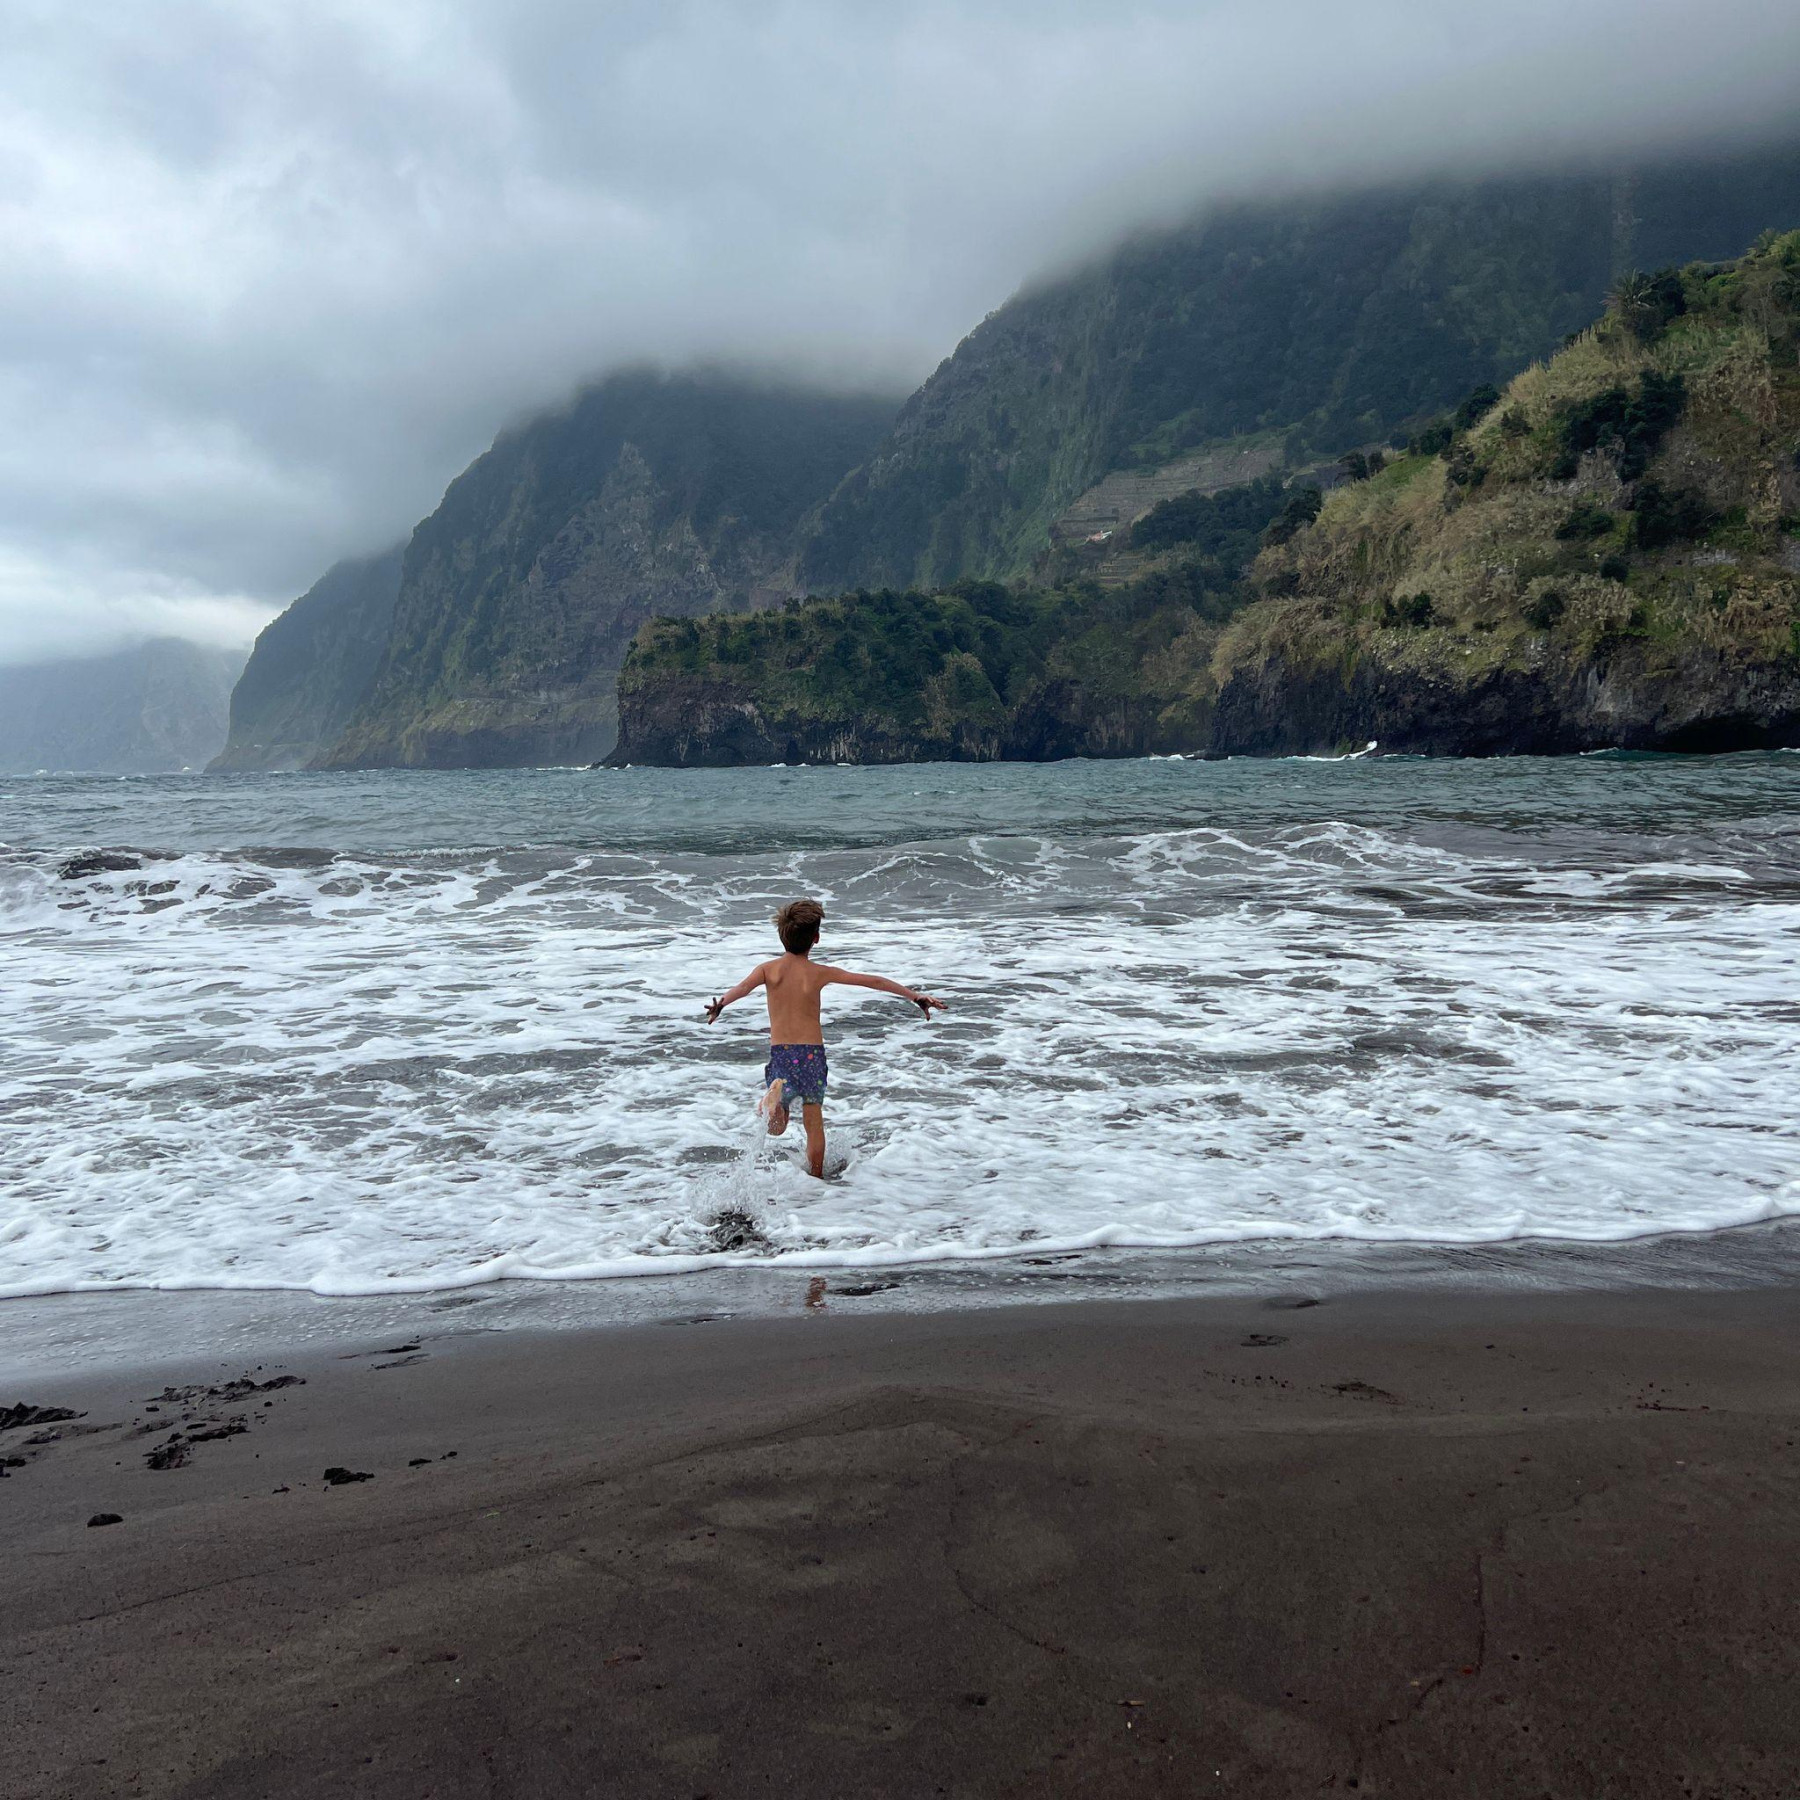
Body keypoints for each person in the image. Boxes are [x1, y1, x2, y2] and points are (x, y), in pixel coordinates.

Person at [705, 898, 944, 1178]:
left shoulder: (768, 970)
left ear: (781, 935)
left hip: (782, 1052)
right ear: (816, 939)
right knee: (813, 1118)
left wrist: (721, 1004)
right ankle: (816, 1177)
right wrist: (915, 996)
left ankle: (772, 1102)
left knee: (777, 1127)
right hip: (812, 1055)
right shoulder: (819, 973)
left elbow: (743, 988)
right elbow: (873, 981)